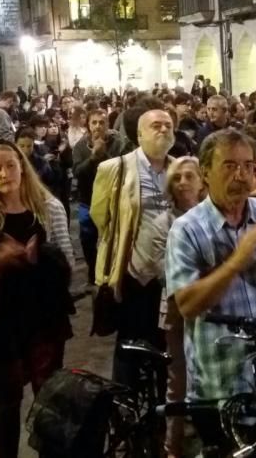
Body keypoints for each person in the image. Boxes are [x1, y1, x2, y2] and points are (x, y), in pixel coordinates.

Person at [166, 129, 256, 455]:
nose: (240, 175)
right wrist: (236, 261)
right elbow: (188, 305)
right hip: (223, 384)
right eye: (229, 166)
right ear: (205, 172)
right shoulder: (186, 230)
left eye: (247, 166)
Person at [0, 139, 74, 458]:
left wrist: (41, 258)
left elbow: (67, 261)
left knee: (49, 394)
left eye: (10, 165)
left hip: (44, 315)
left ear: (22, 166)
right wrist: (0, 260)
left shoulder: (48, 206)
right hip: (0, 318)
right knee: (7, 398)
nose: (5, 173)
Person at [92, 108, 175, 388]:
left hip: (170, 275)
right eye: (155, 126)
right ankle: (125, 405)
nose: (163, 130)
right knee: (129, 344)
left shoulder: (180, 169)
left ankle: (165, 407)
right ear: (139, 134)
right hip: (133, 274)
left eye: (168, 125)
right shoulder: (115, 168)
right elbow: (100, 216)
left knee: (166, 343)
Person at [128, 157, 206, 458]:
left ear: (202, 181)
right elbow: (153, 267)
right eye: (177, 177)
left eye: (190, 176)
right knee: (178, 383)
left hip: (211, 308)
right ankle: (172, 448)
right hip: (176, 310)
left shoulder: (211, 214)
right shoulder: (164, 222)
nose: (184, 182)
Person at [73, 108, 125, 285]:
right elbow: (78, 172)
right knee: (88, 239)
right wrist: (93, 157)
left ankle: (110, 272)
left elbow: (121, 168)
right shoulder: (80, 146)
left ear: (108, 125)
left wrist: (104, 154)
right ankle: (92, 270)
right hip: (87, 200)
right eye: (94, 122)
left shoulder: (117, 143)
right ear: (88, 125)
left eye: (101, 122)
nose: (97, 126)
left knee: (112, 238)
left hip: (112, 200)